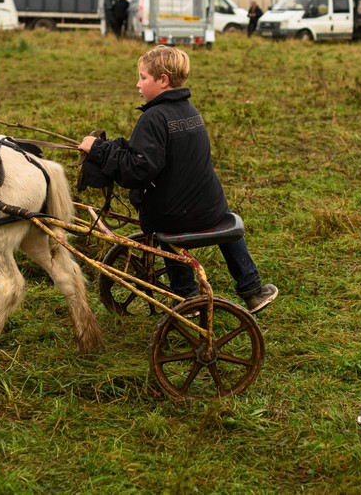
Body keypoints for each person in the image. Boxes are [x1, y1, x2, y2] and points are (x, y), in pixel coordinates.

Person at [78, 45, 278, 313]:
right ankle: (252, 289)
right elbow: (154, 155)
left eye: (143, 77)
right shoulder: (189, 110)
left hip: (176, 216)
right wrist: (112, 147)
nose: (138, 85)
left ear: (163, 81)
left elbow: (137, 171)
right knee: (218, 213)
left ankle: (186, 298)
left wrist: (99, 150)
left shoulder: (153, 117)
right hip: (211, 208)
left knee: (166, 227)